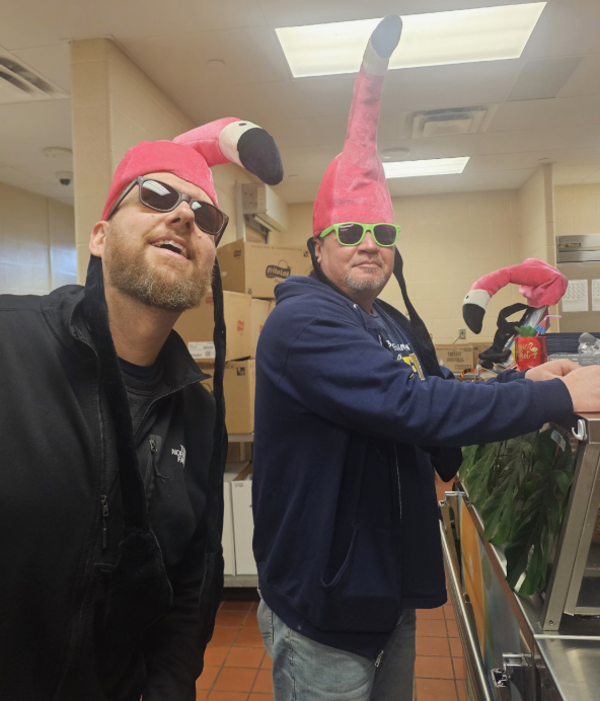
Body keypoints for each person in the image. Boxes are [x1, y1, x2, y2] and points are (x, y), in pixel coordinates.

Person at [252, 16, 600, 701]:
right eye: (350, 231)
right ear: (319, 245)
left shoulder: (384, 318)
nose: (369, 243)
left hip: (384, 590)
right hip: (324, 612)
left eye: (383, 231)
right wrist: (561, 397)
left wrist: (521, 377)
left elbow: (435, 384)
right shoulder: (302, 322)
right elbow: (411, 405)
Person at [0, 118, 282, 701]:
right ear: (100, 236)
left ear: (207, 269)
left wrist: (168, 688)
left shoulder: (199, 416)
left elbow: (189, 585)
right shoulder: (9, 347)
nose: (184, 216)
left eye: (206, 217)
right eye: (155, 196)